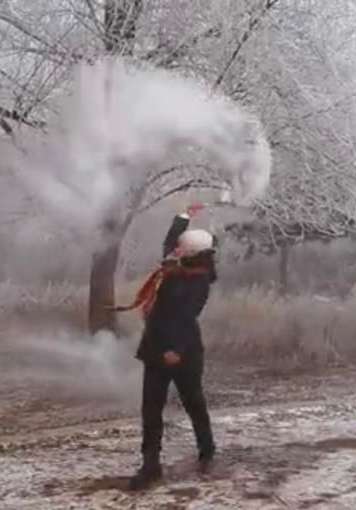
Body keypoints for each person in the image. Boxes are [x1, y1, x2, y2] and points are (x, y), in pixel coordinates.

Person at [112, 202, 218, 491]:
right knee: (150, 408)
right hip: (156, 349)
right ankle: (150, 465)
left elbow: (186, 316)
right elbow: (170, 242)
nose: (175, 250)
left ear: (194, 254)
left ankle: (207, 451)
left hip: (181, 352)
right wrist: (184, 216)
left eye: (182, 248)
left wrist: (175, 350)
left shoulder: (199, 280)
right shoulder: (176, 268)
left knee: (193, 402)